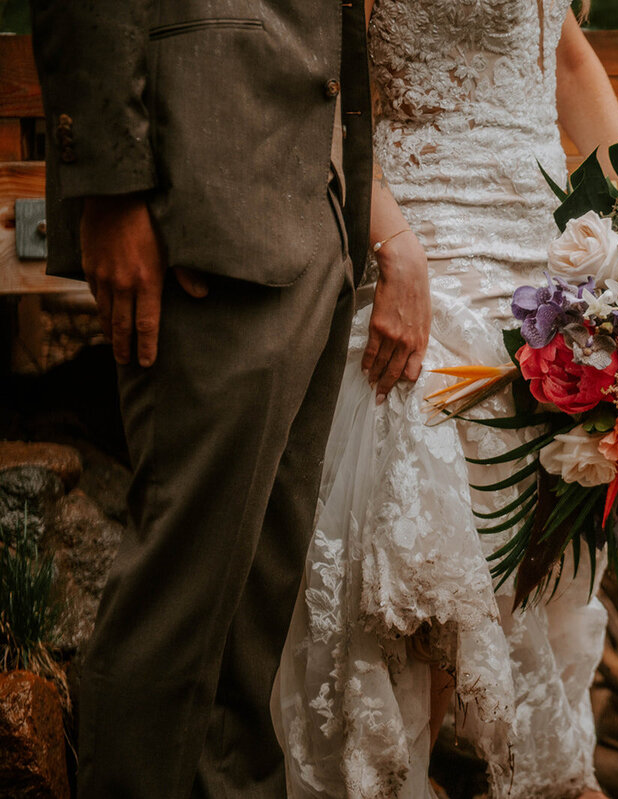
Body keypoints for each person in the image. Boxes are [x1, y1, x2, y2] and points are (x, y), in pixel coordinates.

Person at [27, 1, 416, 795]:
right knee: (181, 598)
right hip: (196, 197)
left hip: (315, 197)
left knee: (254, 613)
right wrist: (110, 187)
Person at [272, 0, 618, 796]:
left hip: (546, 255)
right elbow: (309, 83)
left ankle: (533, 772)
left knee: (544, 534)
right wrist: (390, 243)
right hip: (423, 244)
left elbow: (566, 60)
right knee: (423, 555)